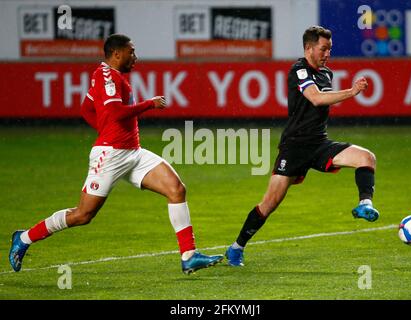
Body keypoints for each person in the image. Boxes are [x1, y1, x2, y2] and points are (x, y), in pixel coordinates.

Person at [9, 34, 223, 274]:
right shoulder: (107, 76)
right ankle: (24, 238)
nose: (135, 57)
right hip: (110, 155)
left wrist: (106, 129)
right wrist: (148, 104)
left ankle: (189, 256)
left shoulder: (106, 76)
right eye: (131, 52)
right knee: (83, 215)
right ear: (117, 53)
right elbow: (114, 112)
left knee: (176, 189)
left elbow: (86, 108)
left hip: (133, 152)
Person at [225, 26, 379, 267]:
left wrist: (344, 93)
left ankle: (364, 204)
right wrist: (351, 91)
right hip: (294, 147)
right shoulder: (298, 70)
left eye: (330, 49)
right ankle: (236, 248)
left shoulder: (326, 73)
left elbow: (322, 102)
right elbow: (316, 98)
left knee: (366, 157)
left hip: (319, 143)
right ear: (308, 48)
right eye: (323, 48)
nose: (327, 53)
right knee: (270, 203)